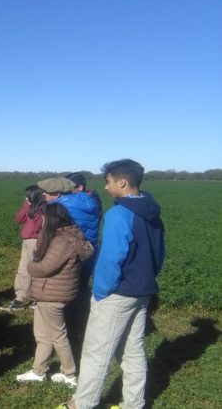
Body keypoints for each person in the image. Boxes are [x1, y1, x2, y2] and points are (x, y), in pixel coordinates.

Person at [59, 159, 165, 409]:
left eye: (108, 182)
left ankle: (82, 404)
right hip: (143, 291)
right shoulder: (153, 211)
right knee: (133, 350)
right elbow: (160, 254)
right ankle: (134, 404)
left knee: (97, 352)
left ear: (122, 182)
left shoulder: (119, 213)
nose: (105, 187)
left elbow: (111, 258)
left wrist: (100, 291)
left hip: (117, 294)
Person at [15, 203, 93, 387]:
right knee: (42, 335)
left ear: (51, 219)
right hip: (48, 294)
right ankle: (38, 370)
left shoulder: (62, 242)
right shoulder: (65, 236)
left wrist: (30, 266)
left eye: (43, 218)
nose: (41, 221)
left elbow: (44, 267)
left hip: (52, 295)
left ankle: (69, 373)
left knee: (58, 336)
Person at [37, 176, 101, 358]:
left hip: (66, 256)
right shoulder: (90, 201)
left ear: (57, 194)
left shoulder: (60, 208)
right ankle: (77, 336)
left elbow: (54, 237)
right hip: (86, 255)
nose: (43, 195)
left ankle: (65, 345)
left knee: (60, 299)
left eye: (47, 193)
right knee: (78, 295)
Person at [1, 185, 45, 312]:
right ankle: (22, 296)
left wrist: (31, 209)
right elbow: (19, 219)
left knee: (32, 269)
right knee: (24, 268)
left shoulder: (42, 210)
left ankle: (28, 298)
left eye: (28, 196)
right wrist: (27, 205)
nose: (26, 198)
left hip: (35, 241)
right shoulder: (31, 208)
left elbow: (37, 228)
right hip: (27, 241)